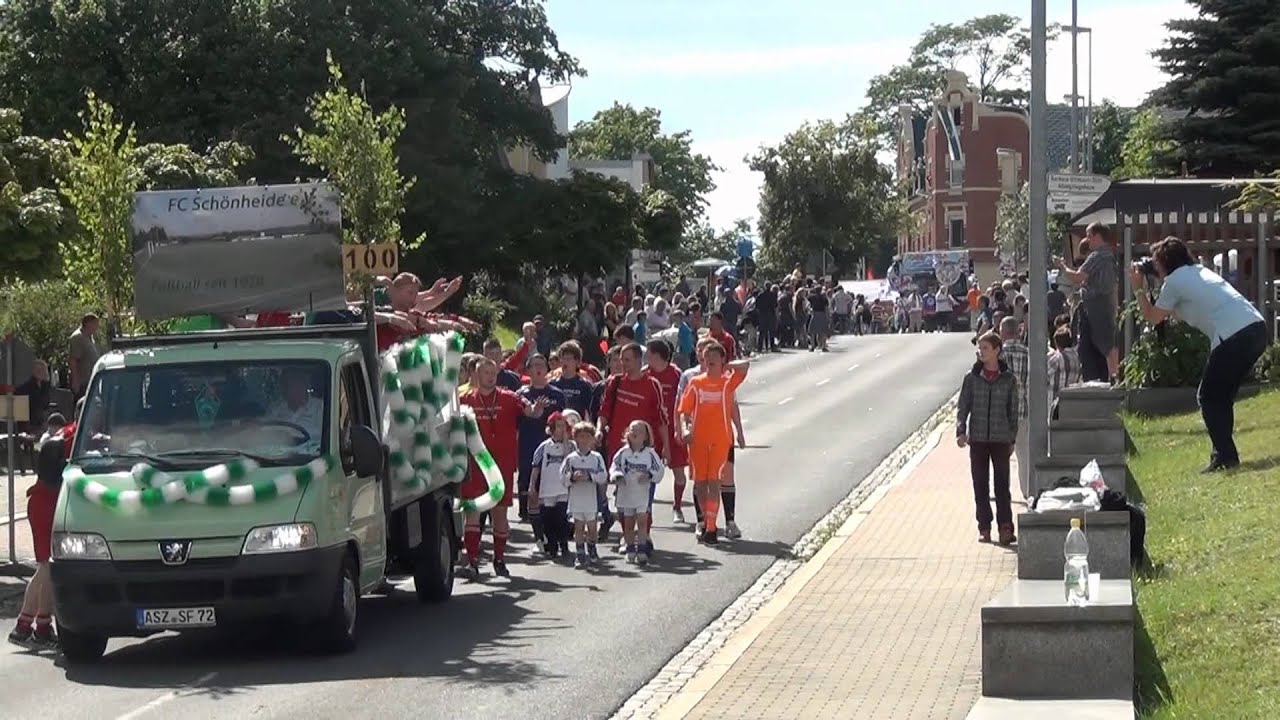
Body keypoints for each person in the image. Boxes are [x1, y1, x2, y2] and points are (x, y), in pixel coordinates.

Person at [1129, 236, 1268, 473]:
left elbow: (1153, 317)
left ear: (1163, 262)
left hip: (1234, 334)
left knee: (1208, 397)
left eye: (1155, 262)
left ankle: (1225, 456)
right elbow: (1177, 313)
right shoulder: (1196, 272)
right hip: (1256, 328)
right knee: (1220, 397)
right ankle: (1224, 454)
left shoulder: (1174, 282)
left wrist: (1138, 288)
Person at [459, 358, 540, 579]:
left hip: (501, 464)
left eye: (493, 372)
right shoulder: (464, 399)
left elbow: (530, 411)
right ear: (476, 376)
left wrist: (535, 410)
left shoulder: (509, 397)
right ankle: (473, 560)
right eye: (485, 372)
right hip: (475, 464)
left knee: (500, 512)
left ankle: (499, 559)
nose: (490, 376)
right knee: (473, 511)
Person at [677, 341, 749, 544]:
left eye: (714, 360)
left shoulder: (728, 382)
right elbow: (684, 410)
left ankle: (711, 527)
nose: (709, 362)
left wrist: (728, 367)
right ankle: (704, 522)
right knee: (700, 484)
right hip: (698, 440)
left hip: (721, 440)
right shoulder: (696, 383)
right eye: (707, 359)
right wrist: (685, 429)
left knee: (714, 483)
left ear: (721, 361)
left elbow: (745, 367)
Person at [8, 413, 68, 649]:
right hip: (46, 503)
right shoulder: (69, 435)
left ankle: (41, 626)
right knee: (47, 566)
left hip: (48, 502)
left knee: (50, 568)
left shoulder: (70, 434)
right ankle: (23, 626)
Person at [957, 332, 1019, 546]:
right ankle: (984, 526)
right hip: (979, 438)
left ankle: (1006, 527)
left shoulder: (1008, 379)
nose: (981, 352)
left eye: (985, 348)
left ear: (996, 351)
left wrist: (1012, 437)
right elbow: (963, 405)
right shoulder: (972, 378)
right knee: (980, 484)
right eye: (979, 348)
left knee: (1002, 486)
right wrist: (961, 430)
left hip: (1001, 438)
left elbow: (1013, 410)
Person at [1055, 223, 1119, 383]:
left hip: (1095, 304)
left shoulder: (1098, 256)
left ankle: (1114, 377)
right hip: (1104, 303)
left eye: (1089, 236)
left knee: (1103, 345)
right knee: (1106, 343)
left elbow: (1078, 277)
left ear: (1097, 236)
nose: (1087, 240)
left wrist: (1062, 266)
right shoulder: (1110, 256)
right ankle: (1113, 376)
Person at [516, 355, 565, 520]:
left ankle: (549, 509)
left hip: (550, 443)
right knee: (526, 474)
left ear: (547, 369)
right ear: (528, 370)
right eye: (534, 365)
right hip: (527, 440)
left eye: (542, 365)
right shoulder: (521, 394)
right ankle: (525, 510)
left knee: (549, 475)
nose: (538, 368)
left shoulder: (557, 394)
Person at [610, 419, 665, 565]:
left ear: (646, 436)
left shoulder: (650, 454)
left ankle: (641, 549)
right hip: (626, 493)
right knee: (628, 523)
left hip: (642, 494)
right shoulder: (623, 453)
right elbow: (614, 467)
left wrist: (649, 475)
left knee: (642, 522)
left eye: (638, 431)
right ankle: (629, 549)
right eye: (632, 430)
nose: (634, 433)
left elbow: (659, 470)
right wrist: (617, 476)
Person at [560, 422, 609, 568]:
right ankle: (580, 555)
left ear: (593, 439)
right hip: (576, 499)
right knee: (579, 527)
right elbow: (562, 477)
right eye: (581, 436)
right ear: (575, 439)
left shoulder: (596, 457)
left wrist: (589, 476)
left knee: (592, 528)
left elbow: (603, 475)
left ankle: (592, 549)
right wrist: (572, 477)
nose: (584, 440)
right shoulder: (571, 458)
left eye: (588, 436)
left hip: (591, 499)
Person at [529, 412, 574, 558]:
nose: (561, 430)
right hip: (547, 489)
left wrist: (566, 442)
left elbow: (569, 461)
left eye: (564, 426)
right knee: (548, 518)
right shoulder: (544, 446)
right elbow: (535, 467)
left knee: (561, 518)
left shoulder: (572, 447)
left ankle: (564, 544)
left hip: (564, 489)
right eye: (558, 426)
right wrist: (532, 487)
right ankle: (552, 546)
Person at [998, 317, 1031, 498]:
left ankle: (1003, 492)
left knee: (1000, 456)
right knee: (1023, 453)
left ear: (1003, 332)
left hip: (1001, 413)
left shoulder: (998, 355)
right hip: (1023, 411)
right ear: (1017, 332)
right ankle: (1027, 491)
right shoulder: (1028, 353)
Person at [265, 368, 324, 441]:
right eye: (288, 385)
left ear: (305, 385)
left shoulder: (320, 407)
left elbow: (326, 437)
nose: (293, 389)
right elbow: (265, 432)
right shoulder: (276, 409)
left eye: (296, 383)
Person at [1047, 327, 1082, 420]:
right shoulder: (1077, 358)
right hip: (1070, 404)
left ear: (1056, 344)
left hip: (1054, 404)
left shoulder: (1057, 359)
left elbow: (1042, 375)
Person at [68, 313, 100, 400]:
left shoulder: (90, 337)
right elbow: (73, 360)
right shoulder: (78, 337)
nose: (97, 327)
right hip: (82, 382)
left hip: (91, 380)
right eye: (95, 324)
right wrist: (75, 381)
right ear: (88, 323)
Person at [807, 287, 830, 351]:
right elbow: (826, 308)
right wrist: (828, 317)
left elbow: (808, 305)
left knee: (812, 331)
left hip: (814, 314)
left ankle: (812, 346)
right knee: (823, 331)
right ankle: (823, 346)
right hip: (822, 314)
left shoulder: (811, 297)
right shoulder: (824, 298)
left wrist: (810, 310)